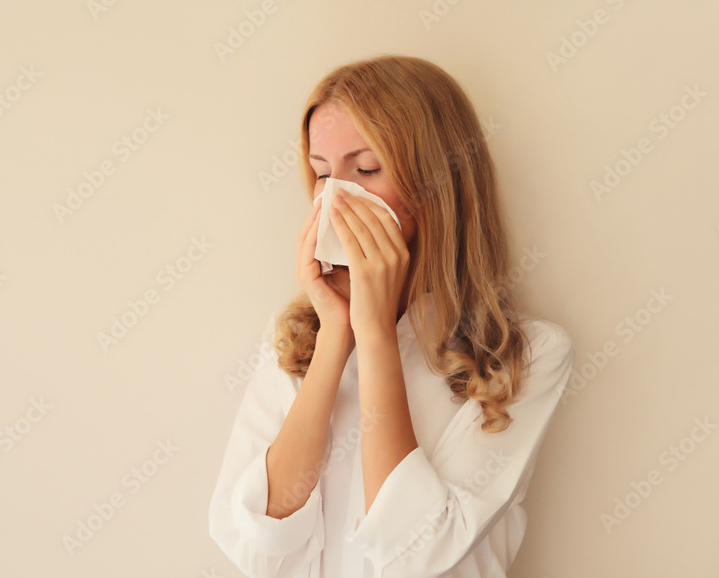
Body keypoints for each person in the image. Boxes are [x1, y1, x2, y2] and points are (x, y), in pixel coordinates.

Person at [208, 54, 575, 578]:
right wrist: (337, 332)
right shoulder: (294, 341)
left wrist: (376, 332)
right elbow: (257, 545)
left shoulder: (524, 357)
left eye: (366, 169)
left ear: (437, 185)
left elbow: (417, 555)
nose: (336, 198)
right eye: (322, 173)